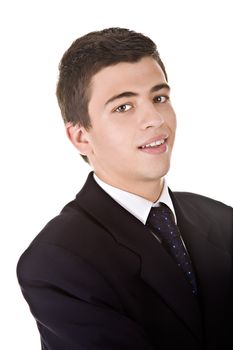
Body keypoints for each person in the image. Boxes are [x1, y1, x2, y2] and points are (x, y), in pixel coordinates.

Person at [17, 27, 233, 349]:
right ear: (81, 137)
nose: (155, 119)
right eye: (123, 107)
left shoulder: (222, 219)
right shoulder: (55, 261)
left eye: (159, 98)